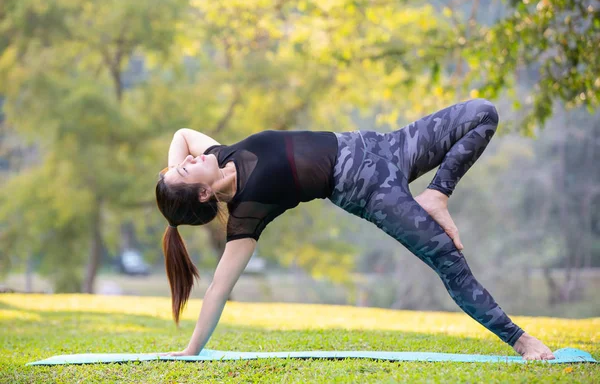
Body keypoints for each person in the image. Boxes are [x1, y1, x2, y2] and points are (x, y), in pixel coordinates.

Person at [155, 98, 555, 361]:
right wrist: (192, 349)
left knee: (483, 113)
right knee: (448, 260)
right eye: (185, 169)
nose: (188, 159)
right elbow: (218, 290)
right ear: (205, 193)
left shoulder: (216, 152)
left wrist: (173, 174)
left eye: (181, 164)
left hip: (388, 146)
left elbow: (181, 135)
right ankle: (519, 339)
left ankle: (437, 195)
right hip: (371, 192)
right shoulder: (247, 214)